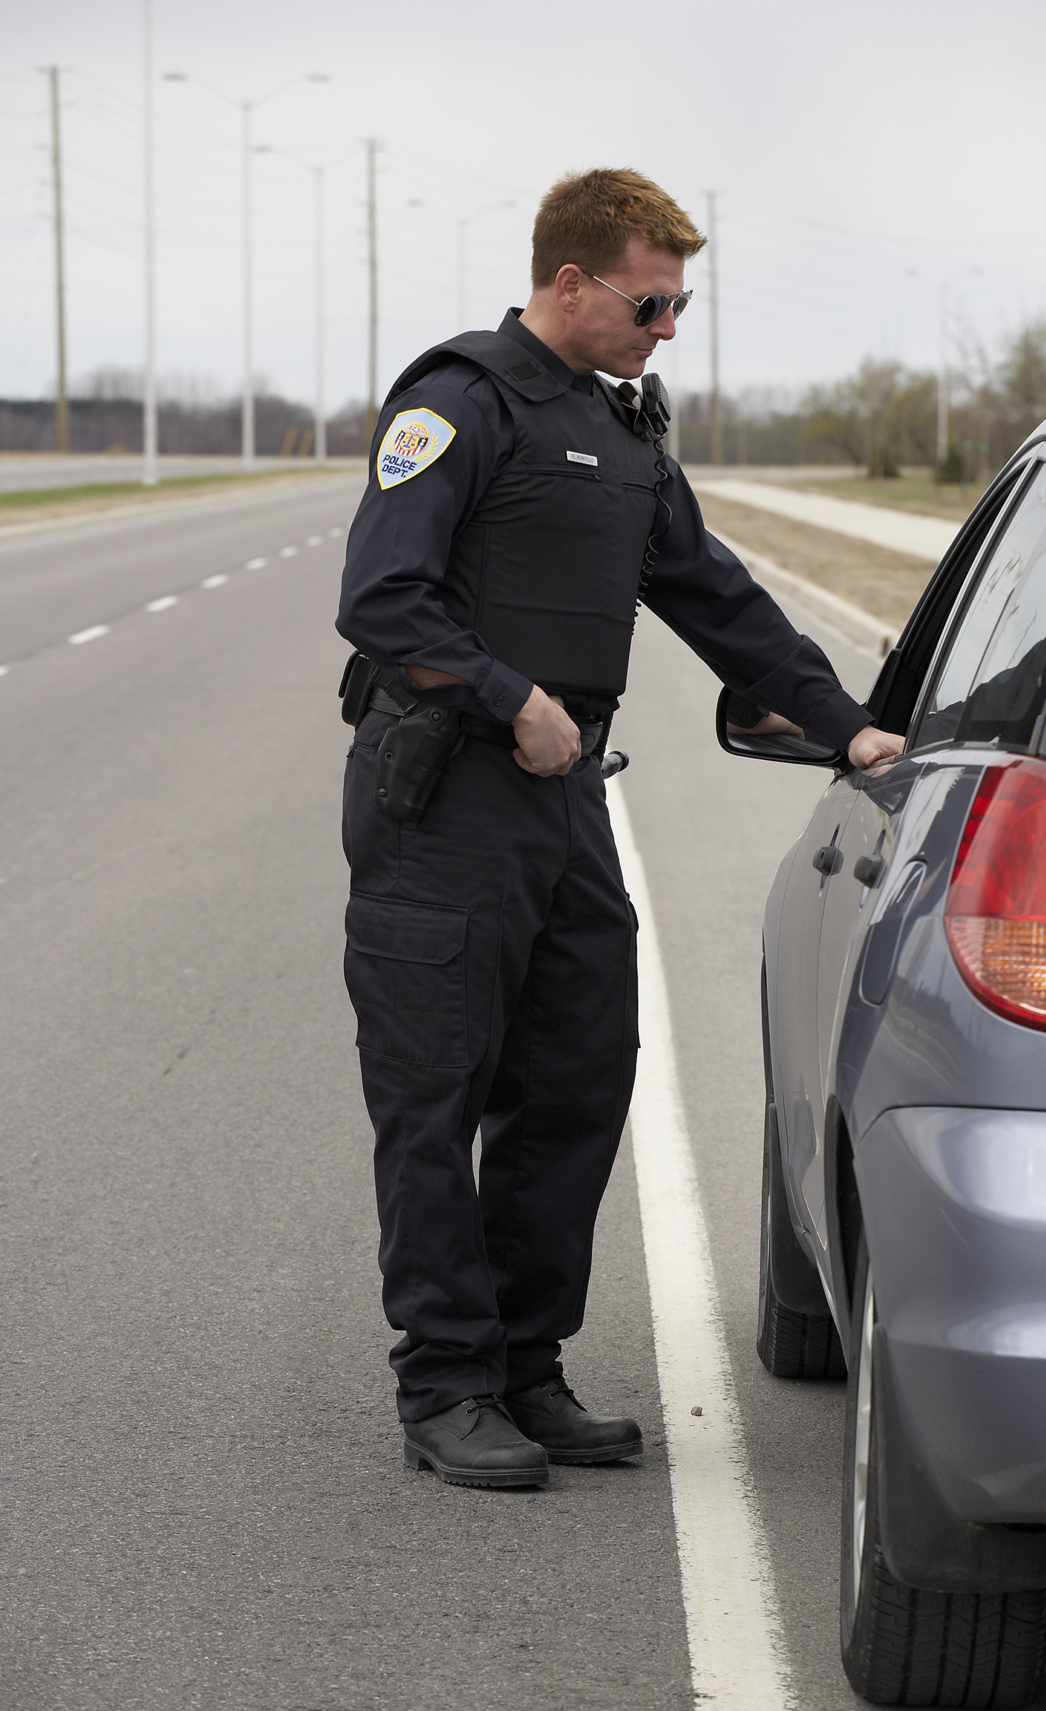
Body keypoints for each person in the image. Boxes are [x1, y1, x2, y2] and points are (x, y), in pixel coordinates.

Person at [337, 167, 903, 1490]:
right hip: (447, 795)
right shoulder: (457, 404)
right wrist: (507, 696)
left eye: (680, 307)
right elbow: (383, 602)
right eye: (652, 303)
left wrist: (842, 722)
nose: (666, 330)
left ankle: (525, 1366)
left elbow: (715, 597)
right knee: (438, 1097)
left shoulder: (627, 432)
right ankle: (445, 1386)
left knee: (582, 1075)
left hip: (561, 796)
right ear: (572, 282)